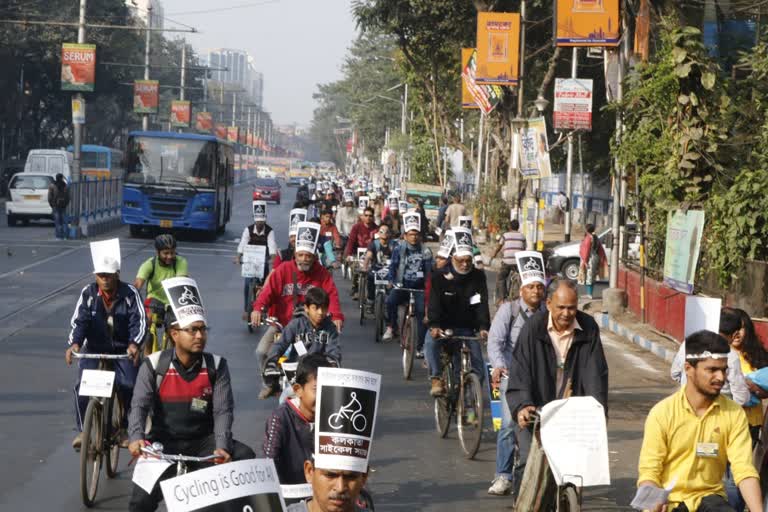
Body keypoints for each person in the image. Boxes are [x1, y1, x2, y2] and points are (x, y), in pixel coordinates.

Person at [127, 281, 255, 512]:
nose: (199, 335)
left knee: (245, 458)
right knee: (139, 502)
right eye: (192, 330)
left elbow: (223, 410)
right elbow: (139, 405)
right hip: (162, 446)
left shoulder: (217, 366)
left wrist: (222, 447)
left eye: (202, 329)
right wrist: (136, 437)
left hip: (204, 445)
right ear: (174, 334)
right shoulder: (154, 366)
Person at [636, 330, 762, 512]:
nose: (721, 377)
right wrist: (653, 503)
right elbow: (649, 471)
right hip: (670, 501)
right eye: (712, 370)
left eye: (723, 370)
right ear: (688, 369)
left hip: (711, 499)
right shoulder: (662, 413)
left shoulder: (734, 413)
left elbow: (744, 470)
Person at [506, 277, 608, 497]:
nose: (566, 313)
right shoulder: (533, 329)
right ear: (548, 304)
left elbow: (595, 373)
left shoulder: (588, 328)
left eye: (572, 308)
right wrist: (523, 405)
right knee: (527, 466)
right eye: (561, 307)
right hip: (535, 408)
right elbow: (520, 370)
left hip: (570, 412)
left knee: (574, 470)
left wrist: (597, 409)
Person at [66, 239, 146, 450]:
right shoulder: (88, 294)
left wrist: (134, 345)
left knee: (129, 385)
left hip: (122, 351)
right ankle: (84, 430)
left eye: (109, 276)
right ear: (96, 276)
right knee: (81, 388)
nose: (105, 280)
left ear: (117, 275)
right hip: (94, 350)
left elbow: (139, 321)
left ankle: (124, 428)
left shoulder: (130, 294)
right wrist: (74, 344)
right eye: (101, 276)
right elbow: (80, 320)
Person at [252, 222, 344, 398]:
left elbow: (332, 295)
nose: (304, 259)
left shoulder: (322, 274)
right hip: (283, 325)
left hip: (312, 328)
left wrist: (337, 316)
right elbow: (267, 292)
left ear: (314, 256)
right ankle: (269, 382)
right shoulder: (283, 270)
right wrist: (258, 308)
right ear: (295, 253)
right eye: (300, 255)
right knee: (262, 351)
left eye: (308, 256)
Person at [486, 257, 547, 496]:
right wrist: (499, 366)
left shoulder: (547, 313)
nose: (535, 291)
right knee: (509, 426)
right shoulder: (508, 311)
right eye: (531, 286)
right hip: (512, 377)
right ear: (522, 289)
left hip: (540, 378)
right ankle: (503, 475)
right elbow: (495, 342)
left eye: (539, 287)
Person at [425, 228, 489, 397]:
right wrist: (434, 325)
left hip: (468, 329)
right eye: (461, 260)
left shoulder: (478, 277)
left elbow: (481, 304)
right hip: (444, 327)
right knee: (430, 343)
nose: (465, 264)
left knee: (479, 369)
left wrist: (483, 326)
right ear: (453, 257)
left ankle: (468, 401)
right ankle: (436, 378)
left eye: (468, 260)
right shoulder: (439, 276)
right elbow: (434, 303)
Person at [263, 354, 333, 485]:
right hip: (291, 494)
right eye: (317, 389)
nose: (324, 396)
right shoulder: (280, 418)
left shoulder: (335, 417)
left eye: (329, 389)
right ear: (298, 390)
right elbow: (269, 463)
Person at [262, 287, 341, 397]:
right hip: (297, 377)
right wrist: (271, 363)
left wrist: (332, 364)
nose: (320, 312)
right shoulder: (296, 324)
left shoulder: (330, 328)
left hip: (320, 378)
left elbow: (334, 351)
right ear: (306, 308)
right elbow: (280, 345)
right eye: (316, 308)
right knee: (284, 397)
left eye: (324, 308)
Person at [383, 213, 432, 359]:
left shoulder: (426, 251)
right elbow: (393, 267)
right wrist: (391, 280)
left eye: (416, 234)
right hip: (402, 285)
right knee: (390, 301)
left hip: (419, 289)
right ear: (405, 235)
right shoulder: (399, 249)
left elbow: (429, 273)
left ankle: (420, 346)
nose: (414, 237)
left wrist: (429, 289)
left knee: (422, 315)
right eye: (411, 234)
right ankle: (392, 326)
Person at [236, 201, 279, 320]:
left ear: (265, 220)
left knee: (265, 285)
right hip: (250, 260)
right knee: (246, 284)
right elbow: (242, 244)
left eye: (262, 221)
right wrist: (238, 256)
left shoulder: (270, 231)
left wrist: (273, 258)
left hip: (263, 259)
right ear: (254, 220)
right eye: (258, 221)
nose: (260, 223)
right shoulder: (248, 230)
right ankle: (246, 309)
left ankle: (264, 307)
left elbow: (272, 246)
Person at [344, 206, 378, 298]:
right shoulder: (356, 227)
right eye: (366, 215)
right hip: (357, 254)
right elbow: (351, 242)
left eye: (370, 216)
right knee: (356, 268)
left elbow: (379, 244)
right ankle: (355, 287)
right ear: (362, 216)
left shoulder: (376, 229)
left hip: (371, 255)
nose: (368, 218)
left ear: (373, 217)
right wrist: (349, 255)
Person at [363, 224, 398, 311]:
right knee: (370, 278)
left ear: (390, 234)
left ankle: (390, 302)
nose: (384, 234)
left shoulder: (394, 245)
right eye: (382, 231)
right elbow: (368, 256)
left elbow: (399, 257)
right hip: (376, 269)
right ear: (378, 233)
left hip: (390, 269)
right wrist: (365, 267)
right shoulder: (374, 244)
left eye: (387, 232)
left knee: (394, 283)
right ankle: (370, 301)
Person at [492, 220, 526, 304]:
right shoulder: (522, 236)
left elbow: (499, 246)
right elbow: (524, 248)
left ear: (510, 227)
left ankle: (502, 299)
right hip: (518, 262)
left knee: (501, 278)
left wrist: (494, 254)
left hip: (507, 262)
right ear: (518, 227)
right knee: (522, 278)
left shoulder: (505, 235)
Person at [579, 224, 606, 299]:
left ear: (587, 229)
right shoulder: (595, 237)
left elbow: (586, 250)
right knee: (591, 277)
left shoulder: (588, 238)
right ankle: (589, 293)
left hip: (589, 258)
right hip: (595, 257)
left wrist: (585, 261)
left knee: (589, 276)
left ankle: (589, 294)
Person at [48, 172, 70, 239]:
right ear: (62, 178)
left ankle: (58, 236)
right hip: (63, 206)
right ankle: (65, 236)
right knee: (64, 221)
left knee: (57, 222)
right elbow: (68, 197)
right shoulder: (65, 186)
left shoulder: (52, 186)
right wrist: (65, 204)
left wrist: (52, 205)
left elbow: (49, 197)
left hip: (55, 206)